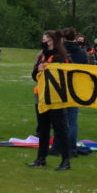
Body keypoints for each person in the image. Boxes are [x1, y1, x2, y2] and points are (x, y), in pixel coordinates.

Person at [29, 29, 72, 171]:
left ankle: (66, 160)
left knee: (60, 129)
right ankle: (41, 158)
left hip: (55, 99)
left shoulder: (60, 57)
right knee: (43, 129)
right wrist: (38, 70)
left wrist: (46, 69)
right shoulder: (42, 56)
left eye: (44, 39)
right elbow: (34, 75)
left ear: (51, 40)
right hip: (41, 97)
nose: (42, 41)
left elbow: (64, 75)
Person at [62, 28, 88, 155]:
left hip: (62, 86)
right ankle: (72, 148)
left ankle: (61, 146)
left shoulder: (61, 50)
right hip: (76, 87)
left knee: (61, 119)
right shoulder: (82, 52)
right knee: (72, 120)